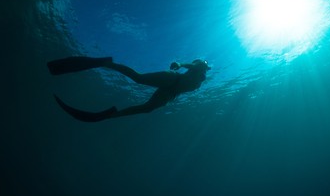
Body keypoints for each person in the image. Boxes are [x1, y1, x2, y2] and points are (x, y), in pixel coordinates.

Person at [47, 56, 211, 122]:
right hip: (173, 78)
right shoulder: (200, 65)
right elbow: (193, 65)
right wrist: (180, 64)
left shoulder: (199, 81)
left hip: (172, 92)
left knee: (148, 109)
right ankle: (107, 63)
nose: (204, 69)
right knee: (138, 78)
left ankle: (111, 115)